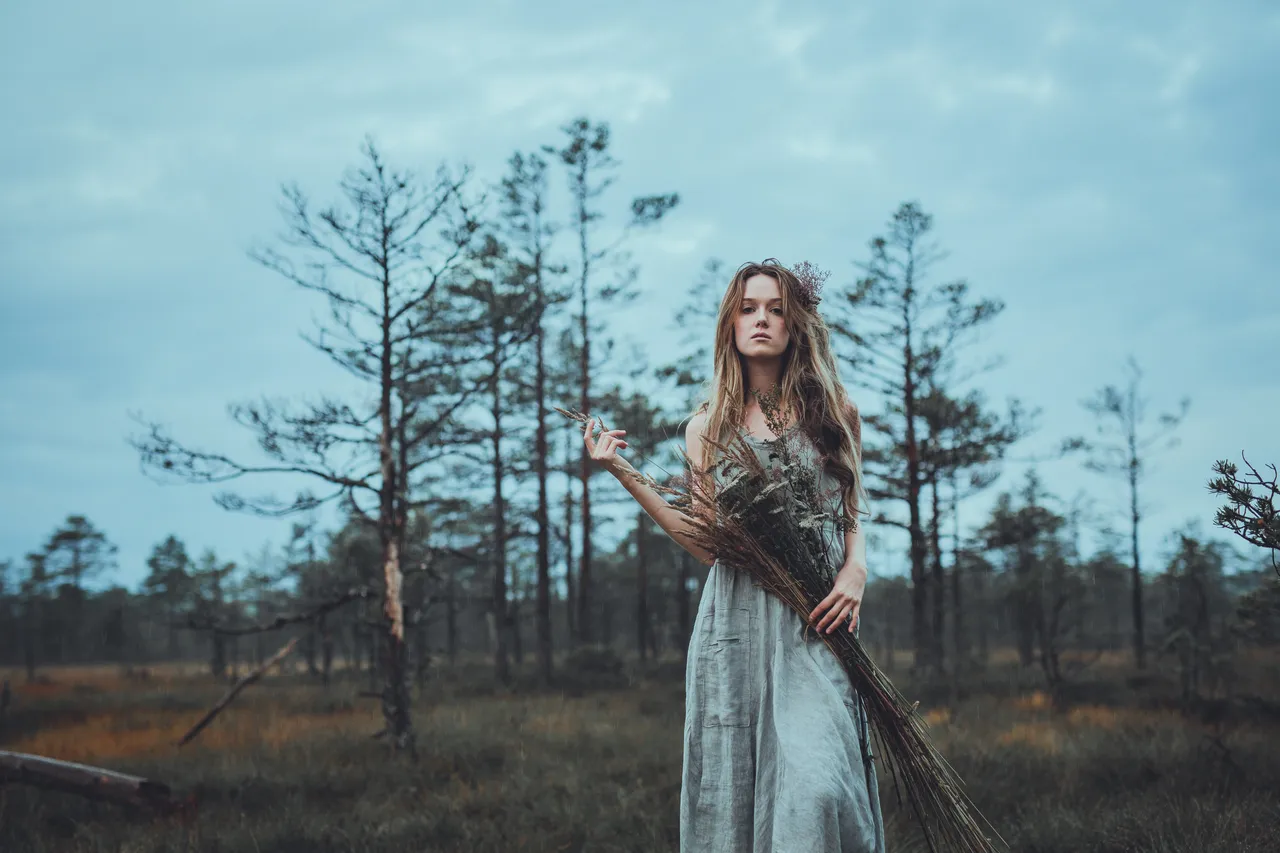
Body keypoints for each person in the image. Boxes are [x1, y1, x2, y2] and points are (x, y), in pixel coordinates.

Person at [583, 259, 885, 852]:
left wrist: (856, 569)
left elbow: (851, 507)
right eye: (749, 309)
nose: (762, 320)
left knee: (819, 786)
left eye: (776, 309)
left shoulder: (836, 412)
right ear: (730, 323)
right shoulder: (707, 427)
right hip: (736, 623)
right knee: (736, 791)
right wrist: (622, 470)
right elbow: (703, 540)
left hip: (817, 618)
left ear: (796, 325)